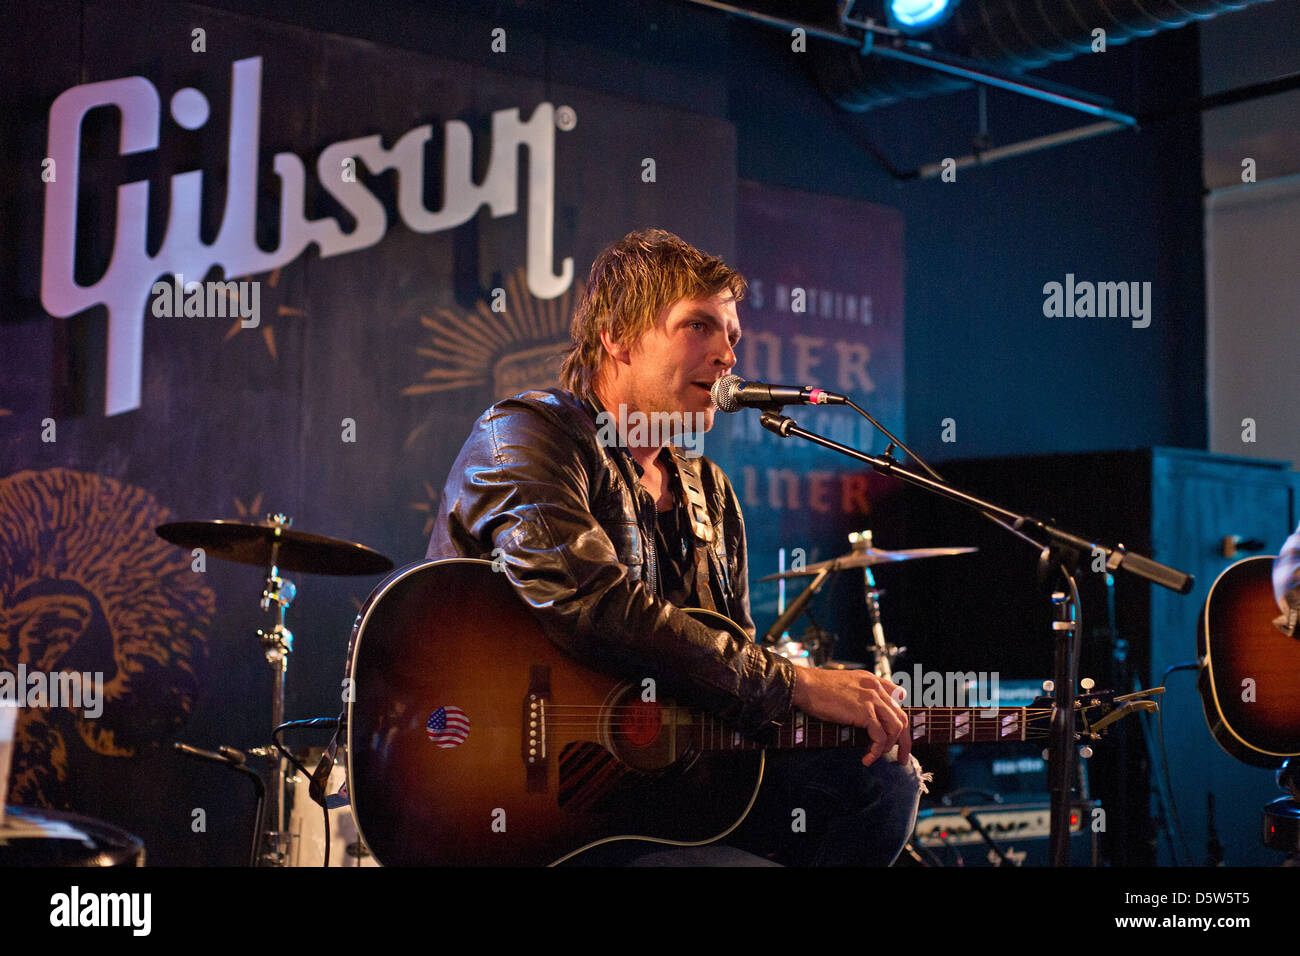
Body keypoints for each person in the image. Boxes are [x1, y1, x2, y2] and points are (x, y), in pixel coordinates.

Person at [427, 227, 924, 865]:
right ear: (617, 334)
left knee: (880, 783)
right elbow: (593, 605)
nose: (727, 356)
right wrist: (795, 683)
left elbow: (732, 668)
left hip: (658, 789)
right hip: (514, 785)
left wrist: (839, 713)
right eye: (698, 327)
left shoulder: (710, 492)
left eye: (733, 338)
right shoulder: (523, 436)